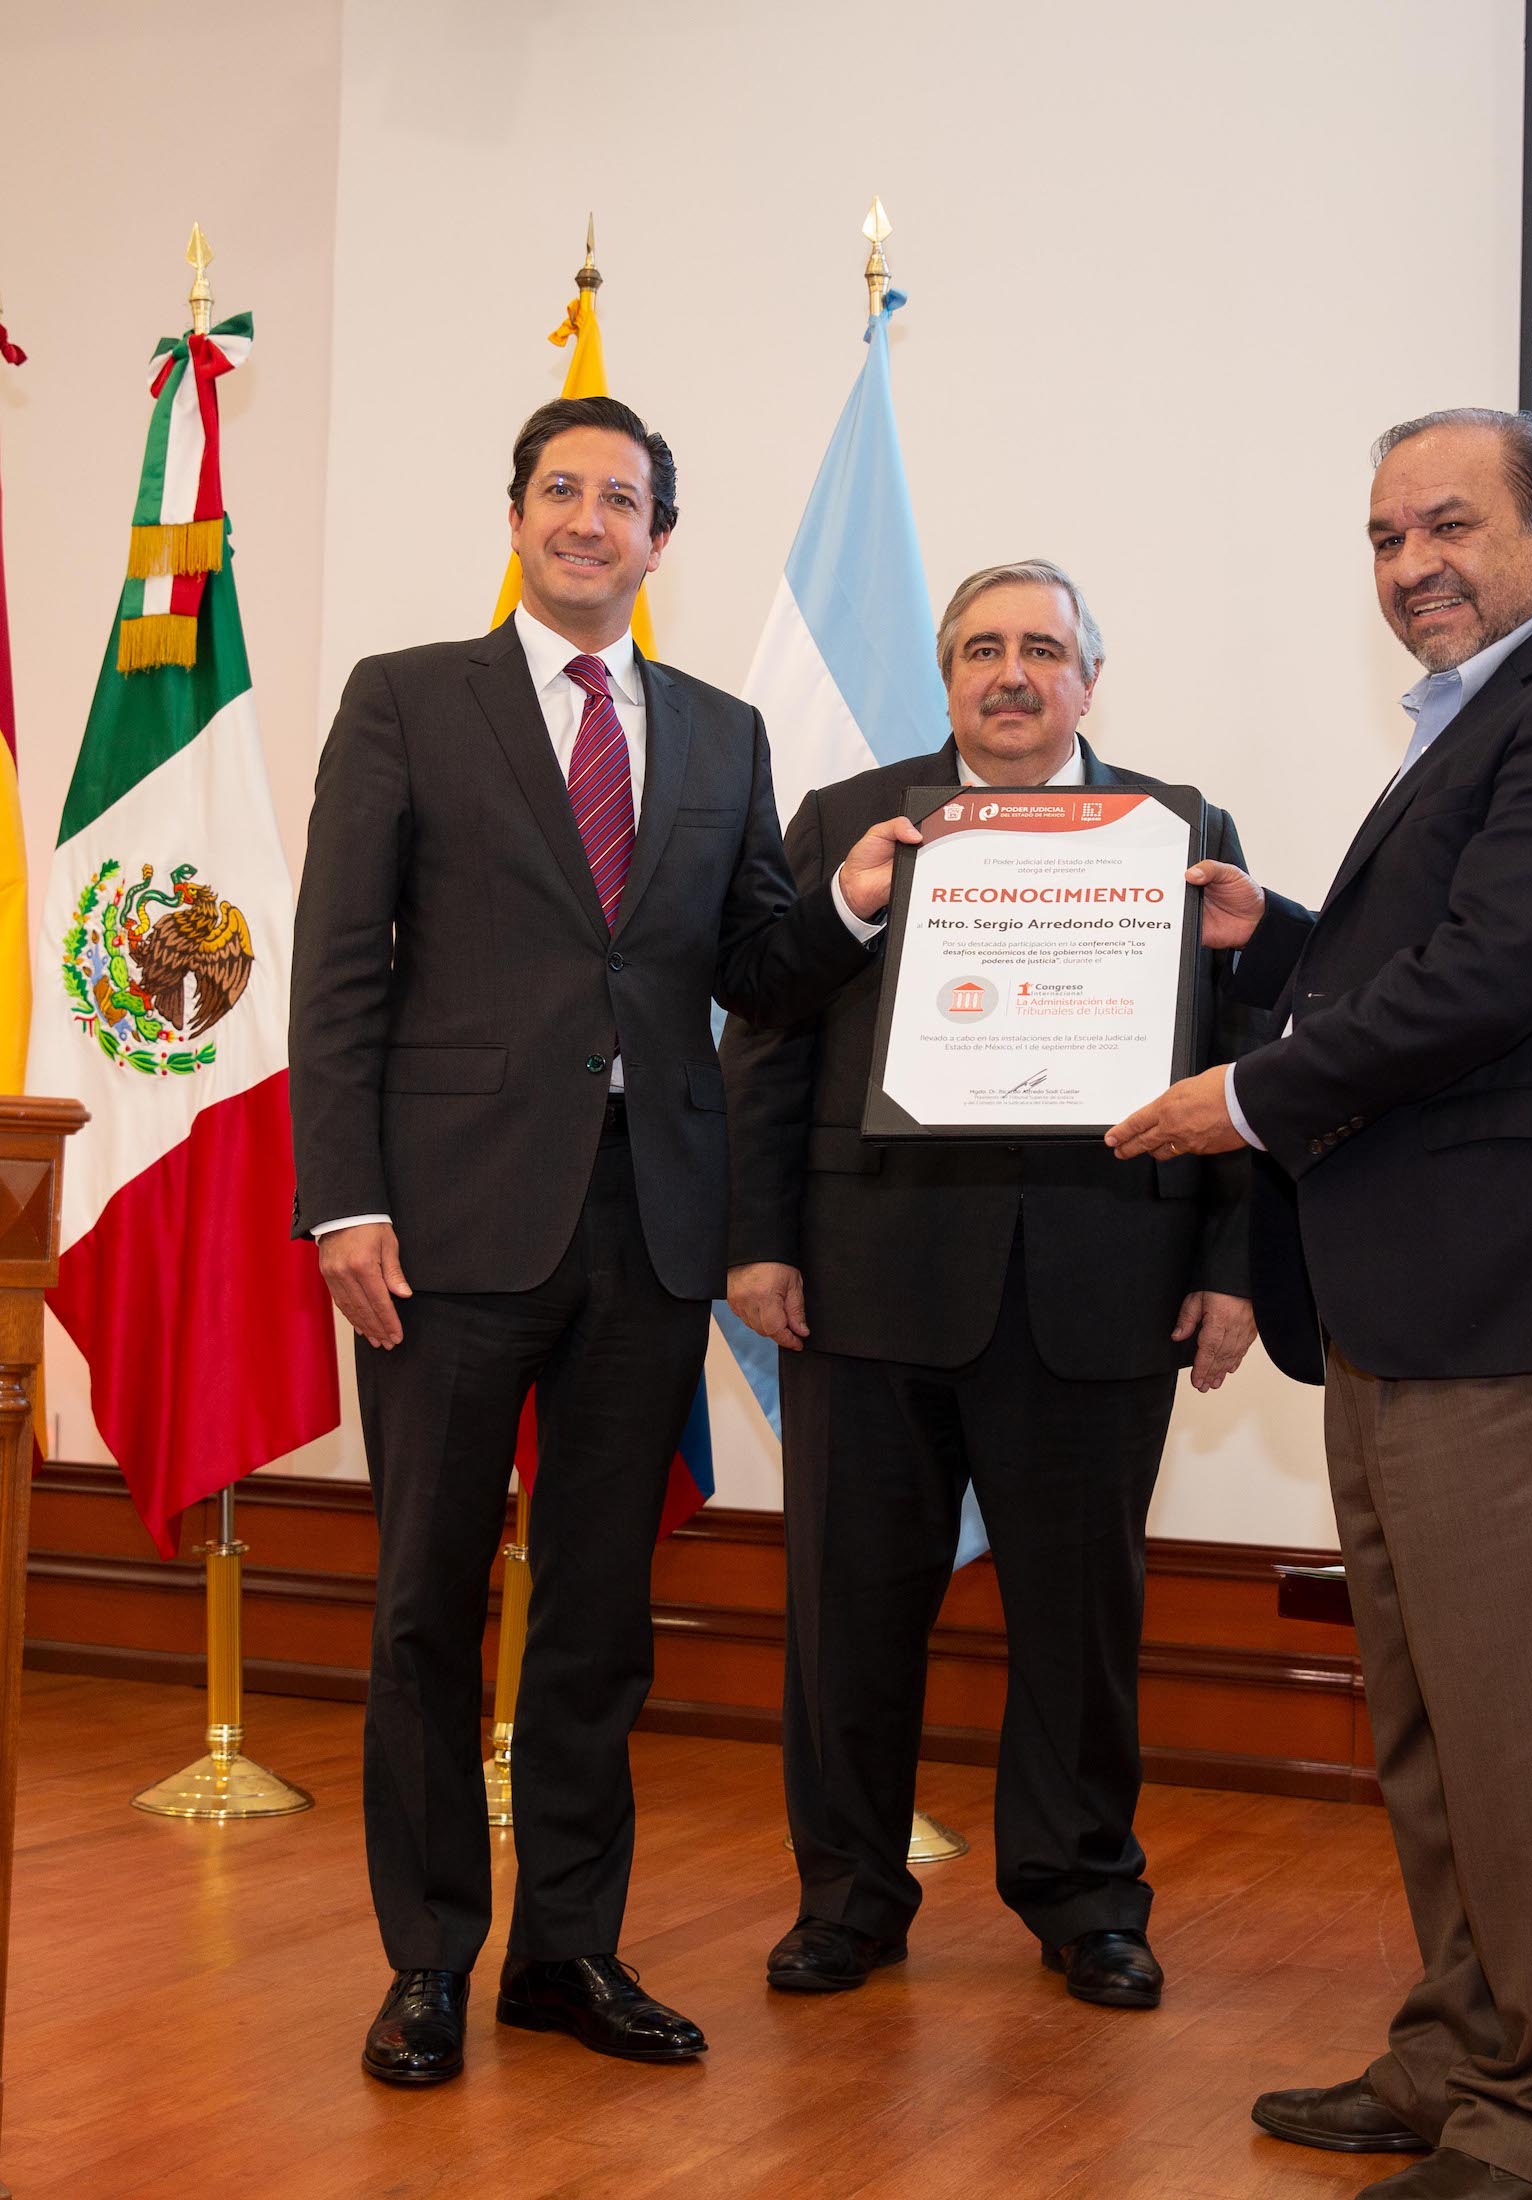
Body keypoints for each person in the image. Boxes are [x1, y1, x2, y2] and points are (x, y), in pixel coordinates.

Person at [1109, 411, 1532, 2200]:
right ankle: (1464, 2053)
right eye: (1381, 539)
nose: (1409, 566)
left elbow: (1487, 981)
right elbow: (1444, 963)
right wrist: (1275, 940)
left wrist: (1241, 1093)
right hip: (1407, 1309)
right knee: (1444, 1734)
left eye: (1448, 525)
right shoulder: (1477, 725)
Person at [289, 394, 913, 2087]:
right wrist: (341, 1198)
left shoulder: (718, 736)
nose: (587, 517)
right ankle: (427, 1963)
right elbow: (340, 965)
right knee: (425, 1604)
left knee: (598, 1615)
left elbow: (758, 975)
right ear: (515, 516)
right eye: (559, 488)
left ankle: (565, 1950)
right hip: (445, 1230)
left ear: (660, 539)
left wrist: (852, 900)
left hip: (648, 1230)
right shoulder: (408, 699)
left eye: (620, 497)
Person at [720, 559, 1263, 2010]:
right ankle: (846, 1895)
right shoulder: (851, 821)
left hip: (1106, 1278)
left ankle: (1084, 1897)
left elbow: (1241, 1050)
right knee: (848, 1612)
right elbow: (766, 1035)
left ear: (1090, 675)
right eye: (980, 650)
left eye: (1041, 648)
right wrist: (755, 1241)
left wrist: (1229, 1270)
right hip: (866, 1276)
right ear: (946, 675)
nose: (1009, 674)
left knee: (1081, 1618)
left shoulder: (1180, 829)